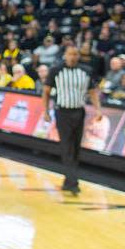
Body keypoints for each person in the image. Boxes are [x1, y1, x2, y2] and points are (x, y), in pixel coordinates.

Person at [41, 45, 101, 194]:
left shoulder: (86, 71)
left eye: (75, 54)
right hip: (62, 112)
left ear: (78, 56)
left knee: (75, 147)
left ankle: (68, 181)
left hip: (79, 112)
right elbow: (46, 91)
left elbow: (92, 92)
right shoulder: (56, 70)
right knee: (67, 146)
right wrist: (45, 111)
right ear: (65, 55)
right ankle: (73, 182)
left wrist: (98, 109)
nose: (73, 57)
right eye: (70, 54)